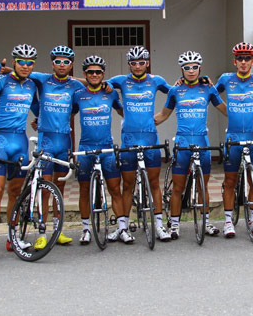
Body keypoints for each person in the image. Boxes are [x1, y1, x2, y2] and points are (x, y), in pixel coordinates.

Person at [0, 45, 85, 249]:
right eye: (58, 61)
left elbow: (90, 85)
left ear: (71, 64)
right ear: (52, 63)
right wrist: (4, 70)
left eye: (66, 62)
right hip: (46, 141)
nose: (62, 65)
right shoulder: (42, 79)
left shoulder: (74, 86)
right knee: (45, 189)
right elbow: (20, 70)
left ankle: (58, 230)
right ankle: (42, 231)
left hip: (64, 141)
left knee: (60, 188)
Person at [154, 51, 227, 239]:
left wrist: (251, 119)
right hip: (183, 142)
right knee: (178, 187)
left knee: (204, 186)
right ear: (182, 70)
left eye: (195, 67)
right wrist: (143, 125)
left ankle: (207, 222)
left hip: (203, 141)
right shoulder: (175, 90)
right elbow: (163, 115)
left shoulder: (208, 89)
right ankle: (175, 225)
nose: (191, 70)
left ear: (200, 68)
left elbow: (224, 109)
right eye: (187, 67)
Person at [107, 46, 171, 242]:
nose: (137, 66)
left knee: (154, 184)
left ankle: (159, 225)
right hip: (129, 139)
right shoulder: (120, 81)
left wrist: (161, 116)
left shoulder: (156, 81)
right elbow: (95, 83)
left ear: (147, 63)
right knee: (128, 185)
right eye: (133, 63)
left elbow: (179, 92)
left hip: (150, 137)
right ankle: (123, 227)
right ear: (129, 65)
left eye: (141, 62)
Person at [0, 44, 39, 261]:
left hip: (19, 141)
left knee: (16, 192)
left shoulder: (32, 85)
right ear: (14, 62)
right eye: (21, 61)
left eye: (30, 62)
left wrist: (39, 120)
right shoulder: (0, 81)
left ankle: (12, 236)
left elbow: (37, 108)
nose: (25, 66)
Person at [215, 42, 253, 238]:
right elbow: (209, 95)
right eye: (240, 58)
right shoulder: (226, 79)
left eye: (247, 58)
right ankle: (228, 221)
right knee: (230, 180)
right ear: (234, 61)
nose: (244, 62)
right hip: (234, 137)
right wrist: (227, 112)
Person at [72, 55, 126, 243]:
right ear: (85, 74)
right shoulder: (78, 94)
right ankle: (86, 229)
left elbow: (122, 111)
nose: (94, 75)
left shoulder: (110, 93)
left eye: (98, 72)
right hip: (85, 148)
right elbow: (65, 114)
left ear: (103, 74)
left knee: (114, 188)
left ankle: (122, 228)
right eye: (90, 72)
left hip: (107, 148)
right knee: (84, 189)